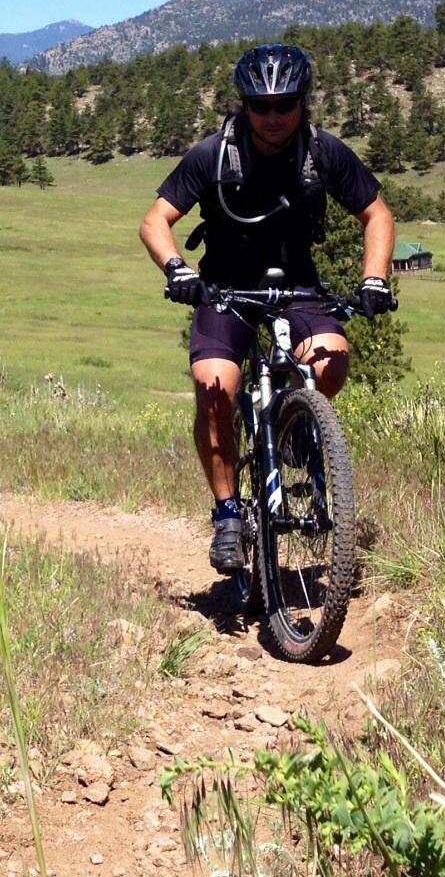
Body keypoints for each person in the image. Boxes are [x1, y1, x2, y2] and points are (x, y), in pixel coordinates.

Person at [138, 44, 397, 573]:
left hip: (298, 284)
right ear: (244, 106)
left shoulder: (324, 152)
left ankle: (297, 427)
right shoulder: (213, 154)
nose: (273, 117)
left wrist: (375, 278)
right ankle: (229, 514)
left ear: (304, 104)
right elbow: (155, 221)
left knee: (332, 360)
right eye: (261, 106)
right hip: (225, 289)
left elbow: (377, 215)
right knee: (215, 390)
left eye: (285, 105)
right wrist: (177, 270)